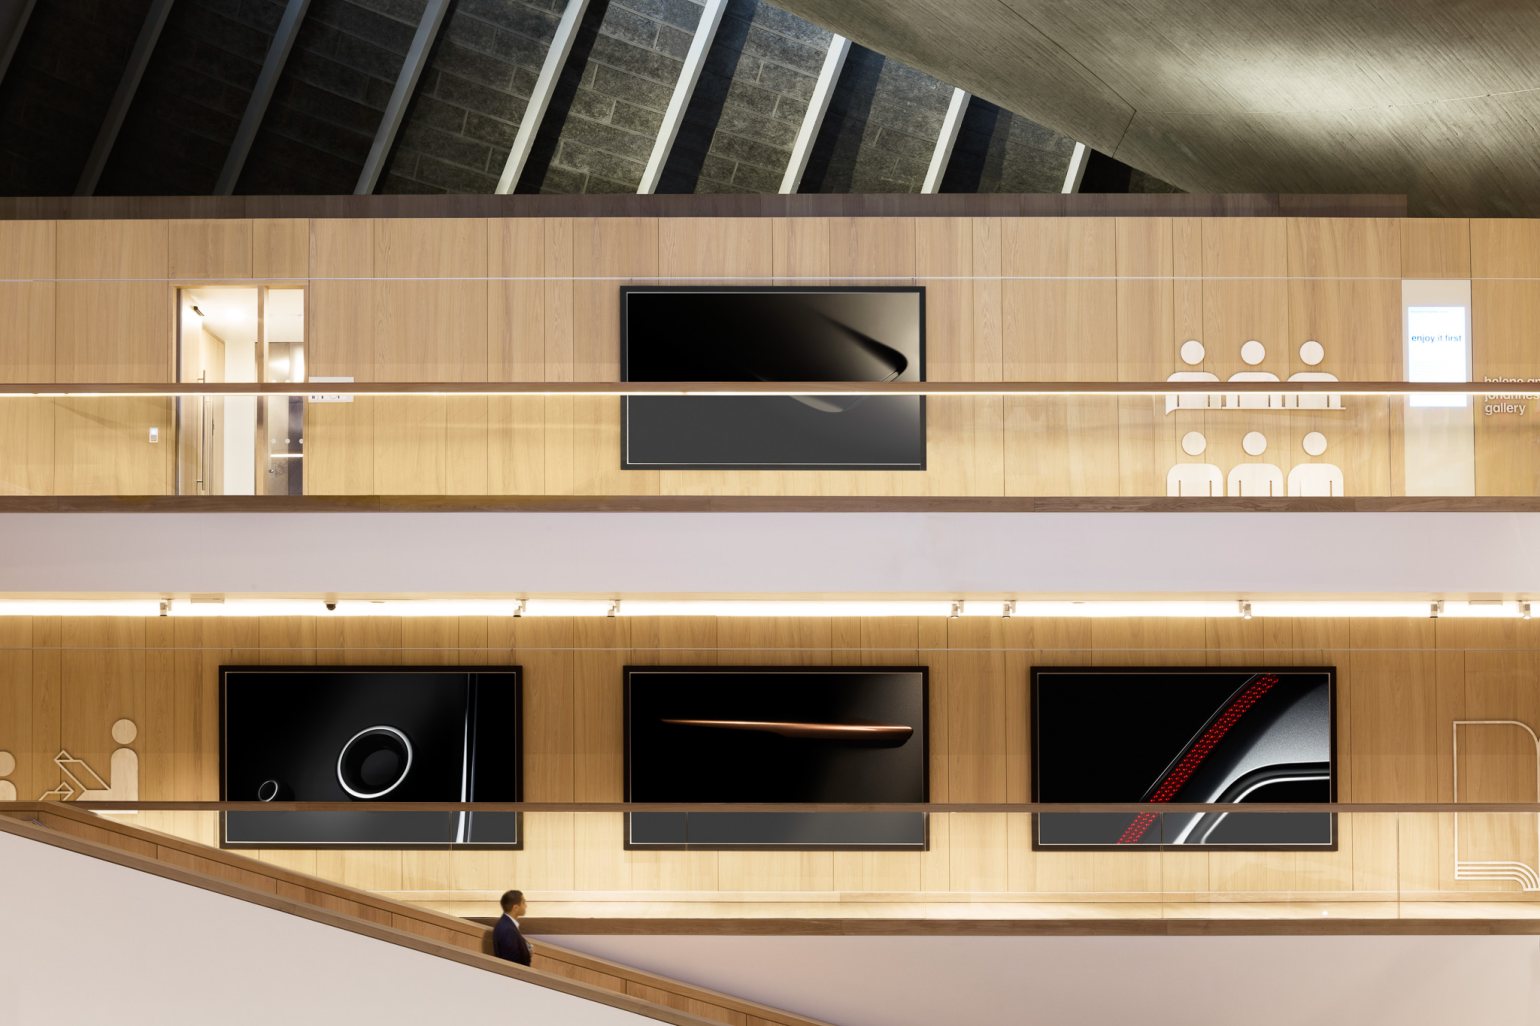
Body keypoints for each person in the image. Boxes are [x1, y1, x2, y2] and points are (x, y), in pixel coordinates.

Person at [492, 889, 531, 966]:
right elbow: (512, 962)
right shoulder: (507, 929)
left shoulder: (507, 924)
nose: (526, 906)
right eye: (523, 902)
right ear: (515, 907)